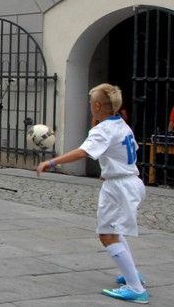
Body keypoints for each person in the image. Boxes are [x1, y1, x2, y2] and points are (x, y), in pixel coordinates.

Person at [37, 83, 147, 304]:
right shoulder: (121, 125)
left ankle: (136, 288)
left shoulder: (102, 130)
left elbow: (84, 151)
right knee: (114, 231)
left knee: (107, 234)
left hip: (119, 187)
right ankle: (131, 274)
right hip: (131, 182)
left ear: (97, 105)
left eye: (90, 102)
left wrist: (51, 161)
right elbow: (131, 150)